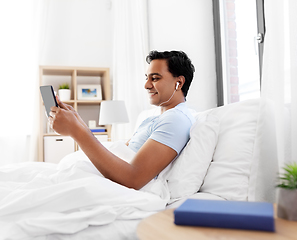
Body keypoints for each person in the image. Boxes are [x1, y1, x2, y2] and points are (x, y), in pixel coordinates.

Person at [49, 50, 195, 190]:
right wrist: (75, 119)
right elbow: (121, 153)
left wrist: (76, 131)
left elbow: (133, 178)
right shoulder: (154, 119)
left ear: (179, 83)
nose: (146, 85)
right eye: (147, 78)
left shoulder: (176, 120)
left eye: (155, 78)